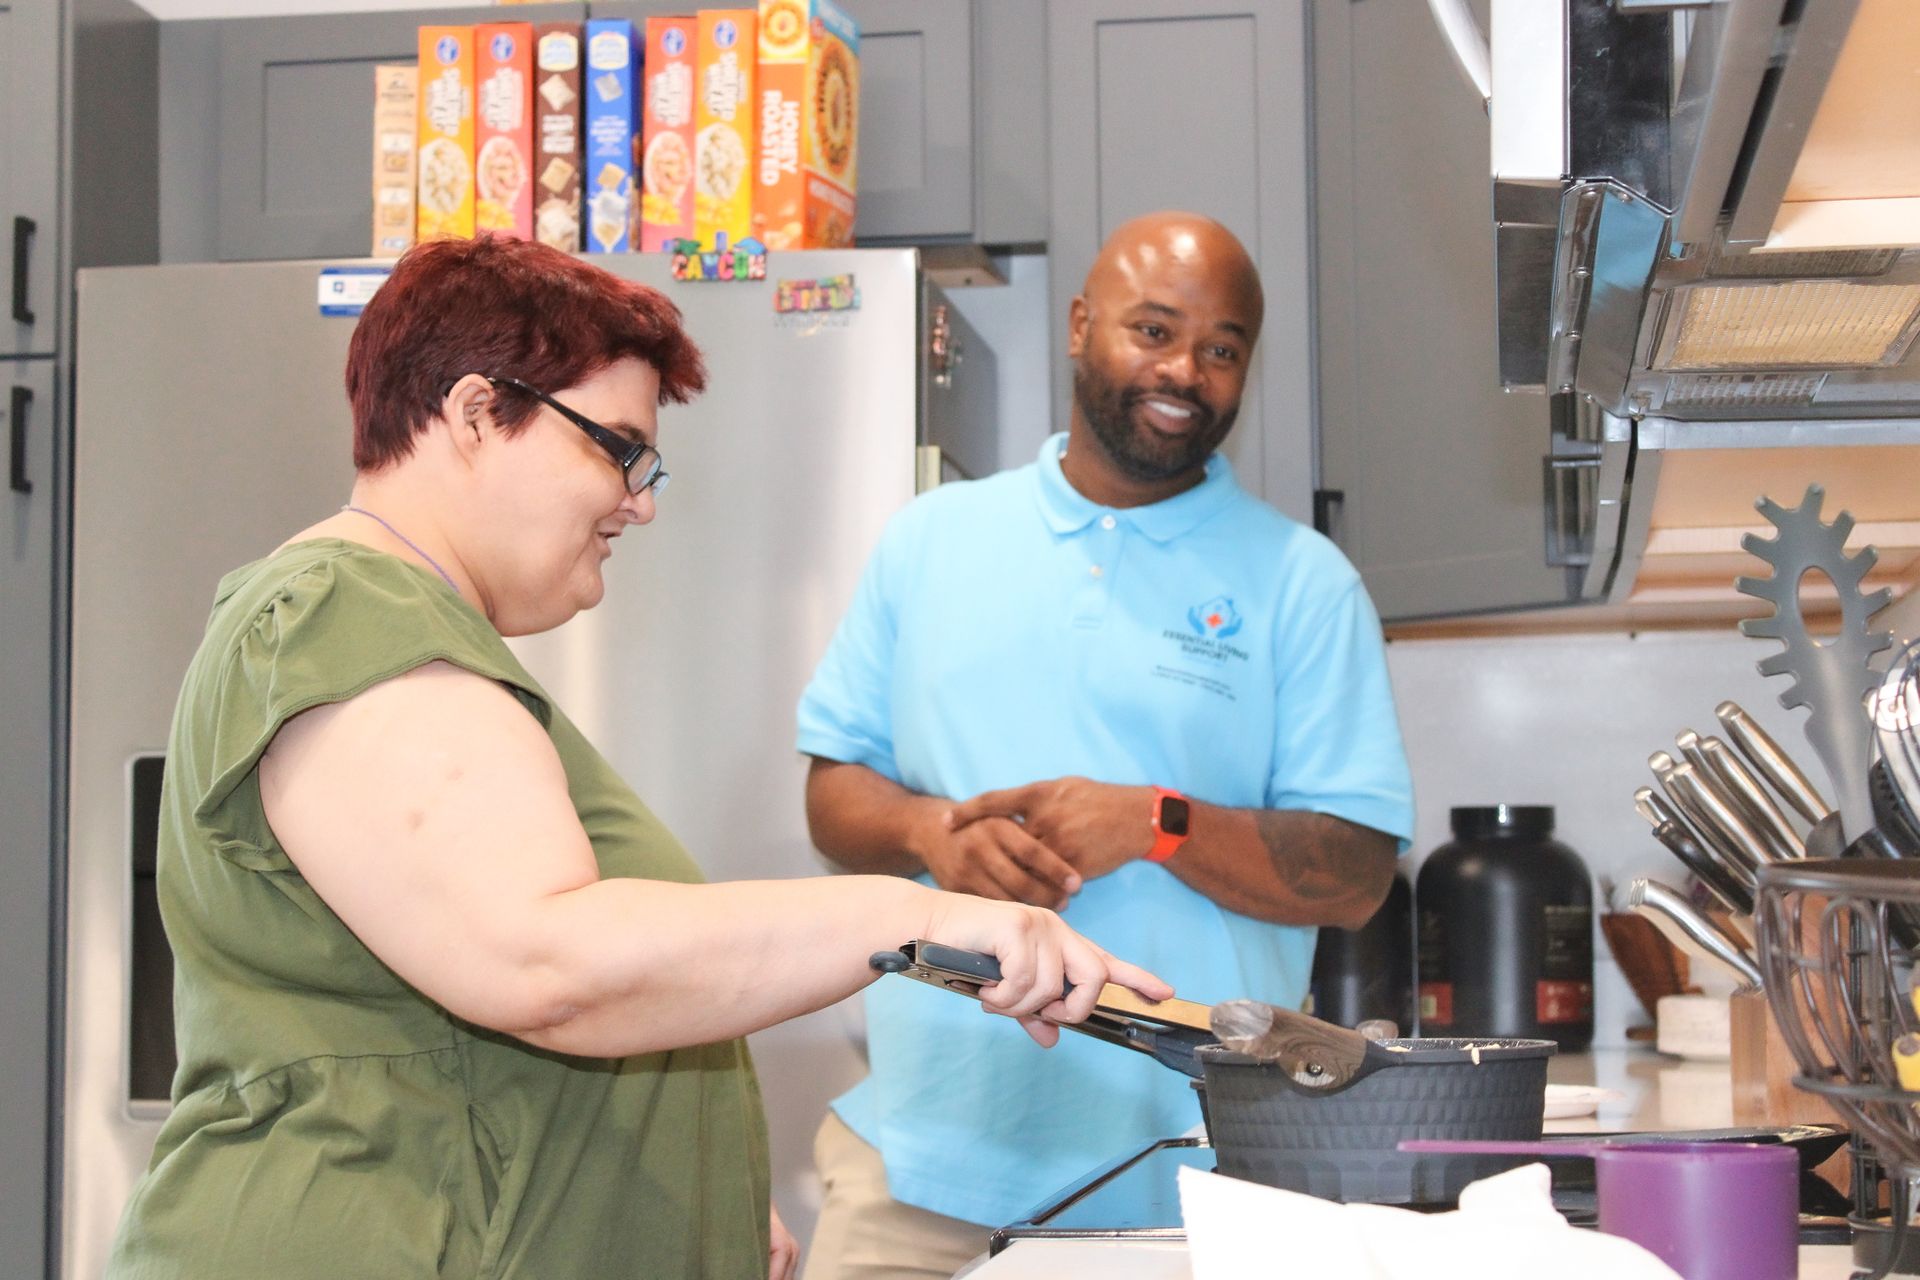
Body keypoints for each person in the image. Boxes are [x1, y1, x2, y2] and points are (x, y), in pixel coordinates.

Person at [102, 235, 1170, 1280]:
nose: (642, 499)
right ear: (477, 413)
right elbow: (542, 959)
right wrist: (917, 916)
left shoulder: (426, 641)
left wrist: (684, 1180)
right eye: (616, 446)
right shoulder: (344, 610)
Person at [796, 212, 1416, 1277]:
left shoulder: (1304, 583)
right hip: (919, 1161)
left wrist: (1155, 822)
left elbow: (1357, 875)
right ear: (1082, 325)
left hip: (1194, 1184)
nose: (1185, 369)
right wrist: (934, 831)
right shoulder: (931, 540)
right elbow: (832, 794)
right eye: (1154, 329)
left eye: (1221, 348)